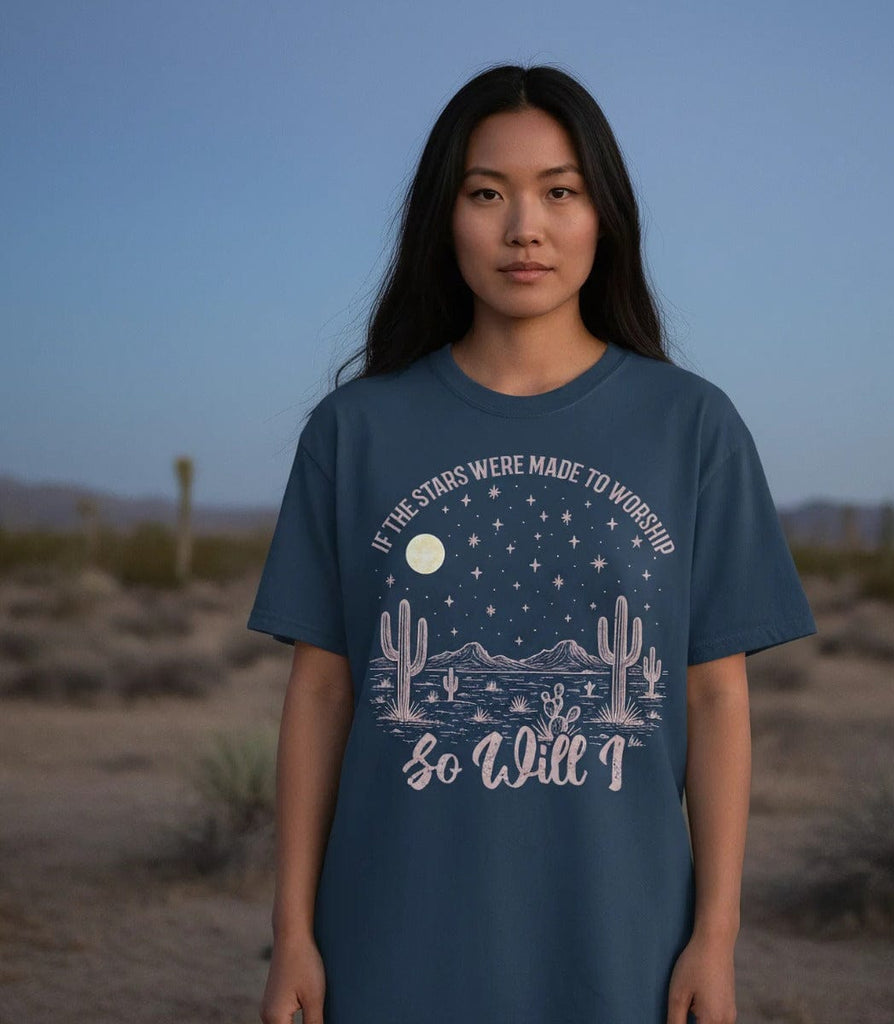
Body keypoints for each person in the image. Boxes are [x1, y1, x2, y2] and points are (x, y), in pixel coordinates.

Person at [247, 62, 817, 1024]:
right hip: (389, 939)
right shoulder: (355, 432)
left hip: (621, 943)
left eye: (561, 192)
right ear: (445, 216)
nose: (526, 228)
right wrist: (295, 934)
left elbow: (715, 696)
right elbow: (321, 690)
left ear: (605, 216)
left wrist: (713, 940)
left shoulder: (691, 427)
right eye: (487, 194)